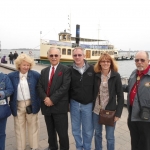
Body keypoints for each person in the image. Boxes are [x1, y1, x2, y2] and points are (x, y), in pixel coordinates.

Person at [37, 47, 71, 150]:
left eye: (56, 55)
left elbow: (65, 87)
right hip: (47, 106)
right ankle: (52, 147)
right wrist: (45, 98)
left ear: (60, 56)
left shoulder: (66, 70)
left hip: (60, 107)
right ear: (48, 57)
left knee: (62, 133)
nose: (54, 57)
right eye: (51, 55)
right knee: (50, 131)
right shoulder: (44, 71)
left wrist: (52, 99)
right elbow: (39, 86)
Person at [8, 54, 41, 150]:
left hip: (32, 104)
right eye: (24, 65)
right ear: (19, 65)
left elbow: (41, 88)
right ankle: (20, 147)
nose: (26, 67)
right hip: (17, 105)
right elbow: (9, 89)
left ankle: (34, 147)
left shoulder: (35, 75)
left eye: (28, 65)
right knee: (19, 128)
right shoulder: (11, 76)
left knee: (33, 128)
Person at [93, 53, 124, 150]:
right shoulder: (96, 75)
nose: (105, 63)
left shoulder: (116, 76)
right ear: (100, 63)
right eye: (103, 61)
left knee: (110, 137)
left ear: (111, 63)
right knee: (97, 134)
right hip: (96, 111)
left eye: (108, 61)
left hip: (110, 112)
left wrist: (118, 114)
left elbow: (120, 96)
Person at [123, 51, 150, 150]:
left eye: (142, 60)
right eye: (137, 60)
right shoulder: (134, 73)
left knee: (146, 144)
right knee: (134, 142)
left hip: (146, 118)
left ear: (148, 61)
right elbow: (129, 88)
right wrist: (117, 86)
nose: (139, 62)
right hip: (133, 116)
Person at [69, 47, 95, 150]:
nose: (77, 57)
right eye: (75, 55)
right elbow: (67, 87)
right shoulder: (69, 70)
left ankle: (87, 148)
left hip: (88, 104)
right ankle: (79, 147)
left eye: (80, 55)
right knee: (75, 129)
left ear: (84, 56)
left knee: (88, 130)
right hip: (74, 103)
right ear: (73, 57)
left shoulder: (92, 69)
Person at [0, 73, 14, 150]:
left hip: (1, 110)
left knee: (1, 133)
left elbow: (10, 90)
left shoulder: (4, 77)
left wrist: (1, 93)